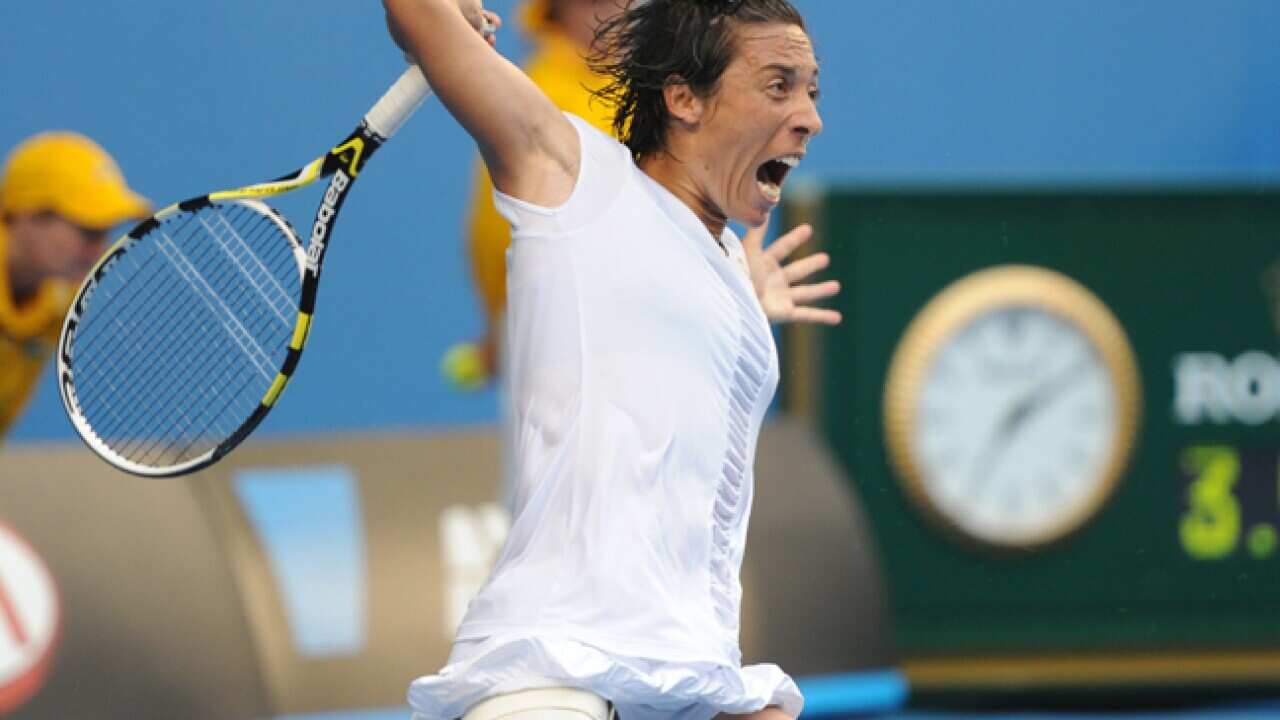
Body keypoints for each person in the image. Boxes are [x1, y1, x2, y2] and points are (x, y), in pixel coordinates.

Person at [384, 0, 838, 718]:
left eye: (812, 89)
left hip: (690, 673)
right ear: (683, 97)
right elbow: (415, 15)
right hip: (555, 678)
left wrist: (742, 298)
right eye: (779, 85)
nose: (809, 115)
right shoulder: (574, 177)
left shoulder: (721, 261)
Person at [445, 0, 625, 392]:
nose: (614, 10)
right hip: (553, 331)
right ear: (556, 11)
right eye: (593, 3)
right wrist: (506, 317)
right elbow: (493, 229)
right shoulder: (537, 93)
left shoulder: (652, 93)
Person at [0, 132, 149, 441]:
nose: (98, 251)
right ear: (26, 216)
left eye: (105, 232)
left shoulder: (57, 301)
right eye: (88, 231)